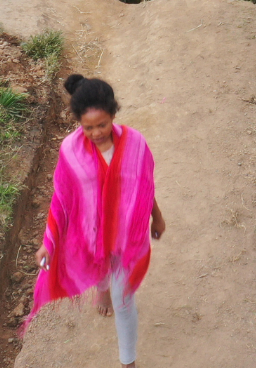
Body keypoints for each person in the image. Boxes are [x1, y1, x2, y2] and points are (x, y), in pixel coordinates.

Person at [30, 75, 165, 367]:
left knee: (124, 300)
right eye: (87, 127)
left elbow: (145, 186)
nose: (96, 133)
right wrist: (48, 244)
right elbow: (61, 201)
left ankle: (127, 361)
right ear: (78, 121)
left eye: (102, 125)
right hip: (91, 235)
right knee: (100, 270)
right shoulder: (70, 151)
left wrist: (157, 217)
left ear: (114, 114)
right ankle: (100, 290)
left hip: (129, 236)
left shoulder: (135, 144)